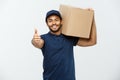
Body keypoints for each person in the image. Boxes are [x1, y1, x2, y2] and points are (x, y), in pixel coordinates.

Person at [31, 9, 97, 80]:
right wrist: (35, 41)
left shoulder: (69, 37)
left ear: (61, 21)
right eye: (50, 21)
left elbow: (92, 41)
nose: (53, 23)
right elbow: (38, 43)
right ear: (47, 24)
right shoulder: (44, 38)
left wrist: (92, 18)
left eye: (56, 20)